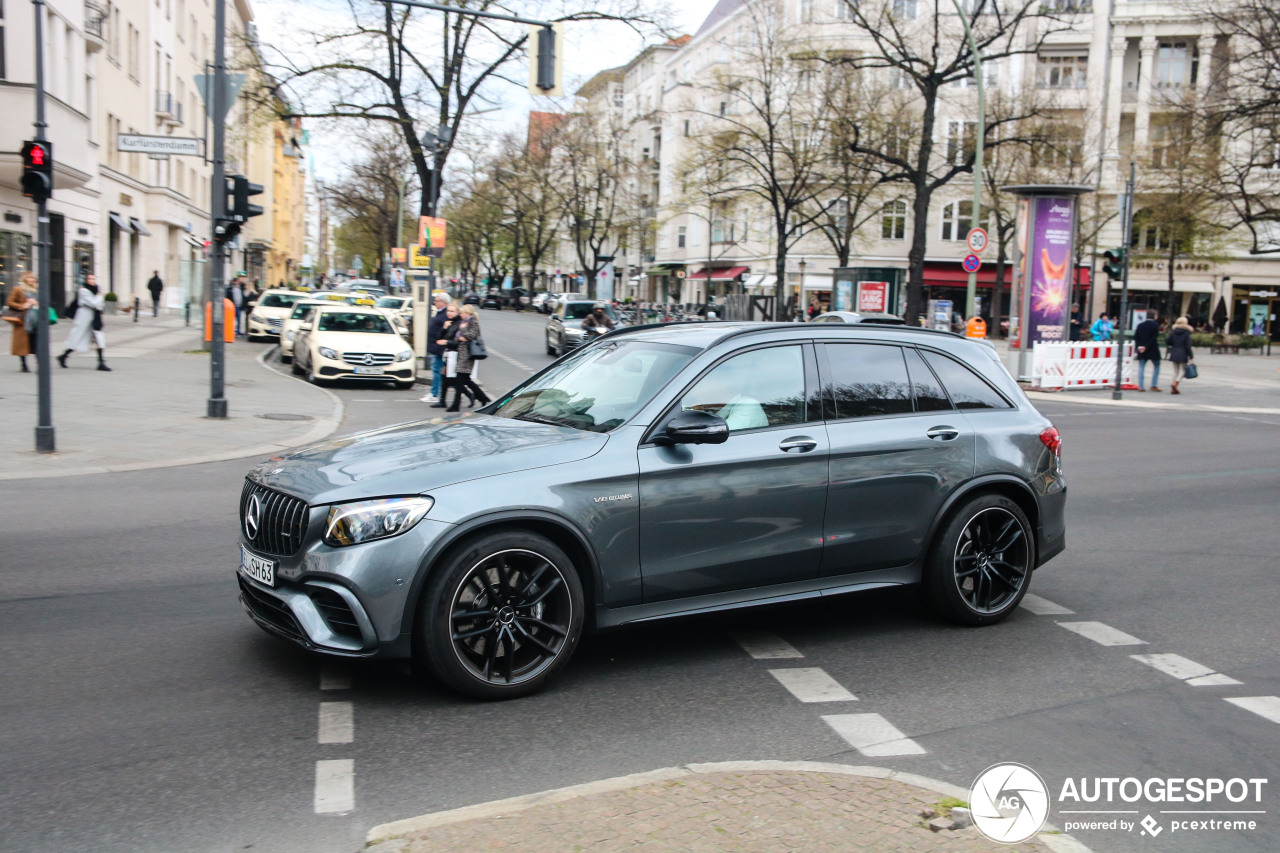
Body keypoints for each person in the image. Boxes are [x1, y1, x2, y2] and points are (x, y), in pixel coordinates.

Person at [57, 273, 110, 371]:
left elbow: (100, 305)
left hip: (95, 316)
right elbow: (94, 303)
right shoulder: (83, 290)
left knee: (99, 337)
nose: (92, 280)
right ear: (86, 280)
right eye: (89, 278)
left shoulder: (96, 290)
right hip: (84, 315)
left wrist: (98, 300)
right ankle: (63, 356)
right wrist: (98, 297)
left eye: (93, 278)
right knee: (78, 336)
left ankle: (101, 362)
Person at [445, 304, 491, 412]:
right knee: (466, 380)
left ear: (468, 313)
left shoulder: (473, 322)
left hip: (468, 355)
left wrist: (463, 332)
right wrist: (461, 337)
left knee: (459, 380)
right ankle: (483, 397)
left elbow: (472, 336)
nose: (460, 315)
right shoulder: (464, 323)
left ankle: (455, 405)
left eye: (462, 313)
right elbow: (457, 338)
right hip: (461, 354)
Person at [6, 271, 38, 372]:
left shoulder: (37, 290)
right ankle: (24, 364)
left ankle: (40, 364)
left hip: (35, 319)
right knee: (23, 344)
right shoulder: (18, 289)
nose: (31, 280)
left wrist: (37, 302)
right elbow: (10, 302)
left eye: (33, 278)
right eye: (29, 278)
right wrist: (22, 305)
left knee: (37, 342)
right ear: (24, 279)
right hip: (23, 320)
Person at [421, 292, 449, 403]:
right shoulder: (441, 313)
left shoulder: (445, 314)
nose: (434, 302)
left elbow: (445, 332)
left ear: (443, 302)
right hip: (436, 346)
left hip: (439, 347)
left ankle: (434, 393)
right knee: (442, 371)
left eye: (436, 301)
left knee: (437, 370)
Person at [1133, 313, 1162, 392]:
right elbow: (1154, 337)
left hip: (1141, 349)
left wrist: (1139, 346)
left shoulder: (1140, 325)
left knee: (1141, 367)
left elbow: (1136, 337)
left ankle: (1141, 386)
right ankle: (1154, 384)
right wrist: (1146, 346)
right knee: (1157, 365)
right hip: (1152, 348)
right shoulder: (1155, 325)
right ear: (1155, 316)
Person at [1166, 315, 1195, 395]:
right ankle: (1176, 383)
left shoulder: (1173, 332)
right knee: (1183, 370)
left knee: (1175, 371)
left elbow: (1168, 342)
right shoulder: (1187, 333)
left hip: (1174, 352)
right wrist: (1191, 356)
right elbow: (1188, 346)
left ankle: (1173, 387)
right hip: (1183, 353)